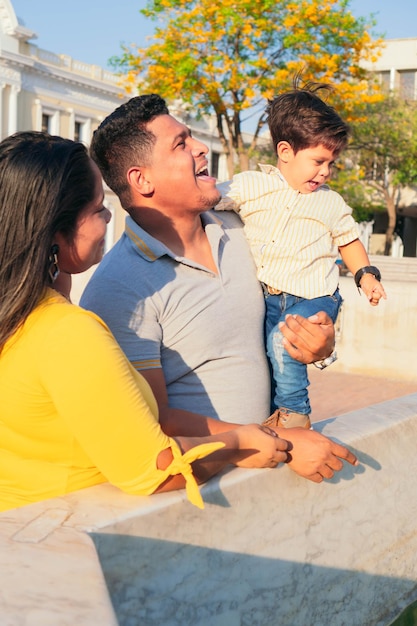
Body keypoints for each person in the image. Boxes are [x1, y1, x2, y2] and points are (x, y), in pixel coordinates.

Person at [0, 131, 292, 513]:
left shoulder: (21, 319)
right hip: (76, 541)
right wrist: (241, 444)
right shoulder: (67, 332)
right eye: (97, 208)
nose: (109, 215)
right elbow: (156, 470)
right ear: (56, 233)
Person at [81, 94, 358, 484]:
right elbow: (149, 417)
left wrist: (320, 347)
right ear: (142, 179)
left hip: (270, 473)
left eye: (191, 137)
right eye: (181, 144)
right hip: (202, 498)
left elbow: (299, 302)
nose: (199, 148)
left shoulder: (245, 228)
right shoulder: (119, 288)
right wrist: (277, 441)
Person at [216, 83, 386, 430]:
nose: (325, 172)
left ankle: (296, 414)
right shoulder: (250, 185)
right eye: (319, 161)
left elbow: (349, 240)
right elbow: (207, 199)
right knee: (269, 358)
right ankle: (274, 414)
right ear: (285, 151)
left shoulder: (330, 201)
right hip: (267, 298)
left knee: (285, 340)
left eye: (331, 164)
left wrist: (366, 275)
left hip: (314, 296)